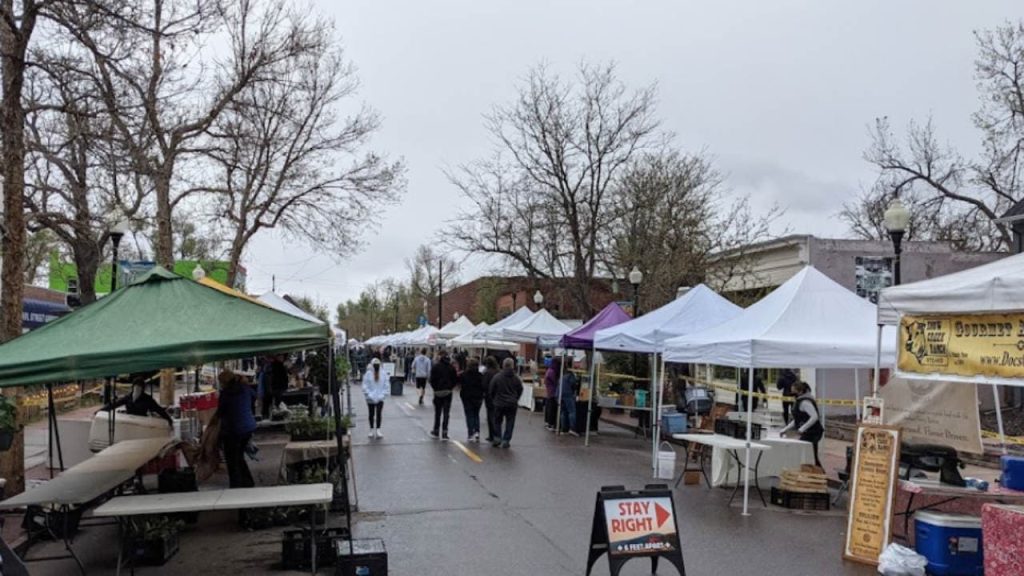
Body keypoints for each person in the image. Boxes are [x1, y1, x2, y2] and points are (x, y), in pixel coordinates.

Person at [217, 370, 257, 488]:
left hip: (233, 430)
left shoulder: (226, 393)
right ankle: (248, 482)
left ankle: (236, 485)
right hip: (248, 427)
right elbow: (254, 397)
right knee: (239, 456)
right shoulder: (245, 388)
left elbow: (221, 412)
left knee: (232, 459)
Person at [780, 381, 824, 468]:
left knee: (811, 455)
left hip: (814, 432)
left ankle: (819, 475)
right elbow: (797, 420)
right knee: (809, 455)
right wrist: (785, 429)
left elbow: (814, 417)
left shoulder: (805, 402)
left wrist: (802, 429)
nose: (792, 393)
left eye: (793, 391)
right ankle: (814, 474)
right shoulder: (799, 401)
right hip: (808, 432)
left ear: (800, 392)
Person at [103, 376, 173, 428]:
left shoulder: (147, 399)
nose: (137, 389)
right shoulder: (128, 398)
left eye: (139, 387)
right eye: (136, 387)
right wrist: (101, 411)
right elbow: (114, 405)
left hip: (142, 423)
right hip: (129, 422)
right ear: (133, 387)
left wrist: (169, 420)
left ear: (143, 389)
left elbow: (159, 410)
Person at [489, 357, 524, 448]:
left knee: (497, 421)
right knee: (510, 422)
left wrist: (494, 399)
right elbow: (520, 389)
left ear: (503, 365)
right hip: (512, 403)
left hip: (499, 402)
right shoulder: (516, 378)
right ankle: (506, 439)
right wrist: (516, 398)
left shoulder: (497, 377)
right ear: (513, 366)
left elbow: (491, 389)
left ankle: (497, 437)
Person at [429, 350, 458, 439]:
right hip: (448, 392)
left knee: (437, 412)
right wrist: (450, 388)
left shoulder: (436, 367)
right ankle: (445, 431)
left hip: (438, 392)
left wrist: (435, 388)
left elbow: (431, 380)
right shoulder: (451, 367)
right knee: (446, 413)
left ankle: (436, 430)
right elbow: (455, 380)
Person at [459, 357, 485, 442]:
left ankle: (470, 433)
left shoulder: (463, 375)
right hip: (478, 397)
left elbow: (460, 384)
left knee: (469, 415)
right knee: (476, 414)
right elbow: (483, 386)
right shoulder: (480, 376)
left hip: (467, 397)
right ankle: (477, 431)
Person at [362, 358, 388, 438]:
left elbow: (386, 386)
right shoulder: (368, 374)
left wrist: (382, 395)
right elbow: (365, 386)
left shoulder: (383, 374)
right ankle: (371, 429)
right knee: (371, 414)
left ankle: (378, 430)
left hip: (380, 398)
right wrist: (369, 395)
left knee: (379, 414)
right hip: (370, 398)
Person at [263, 354, 289, 419]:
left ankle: (267, 416)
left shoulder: (271, 366)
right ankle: (276, 417)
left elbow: (268, 377)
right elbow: (284, 378)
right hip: (277, 388)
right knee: (277, 404)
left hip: (274, 387)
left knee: (270, 403)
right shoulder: (278, 366)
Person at [481, 356, 501, 443]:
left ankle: (492, 435)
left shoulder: (487, 373)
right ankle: (496, 434)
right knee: (497, 416)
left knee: (490, 416)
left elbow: (484, 385)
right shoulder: (499, 372)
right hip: (498, 397)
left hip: (489, 397)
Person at [559, 365, 579, 436]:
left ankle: (563, 429)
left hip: (560, 394)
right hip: (568, 394)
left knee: (563, 412)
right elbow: (573, 384)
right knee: (572, 411)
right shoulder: (571, 376)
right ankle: (572, 429)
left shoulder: (563, 376)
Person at [542, 357, 560, 432]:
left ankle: (548, 422)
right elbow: (555, 381)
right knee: (552, 409)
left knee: (549, 407)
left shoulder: (549, 370)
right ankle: (550, 423)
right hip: (552, 392)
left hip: (549, 392)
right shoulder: (552, 372)